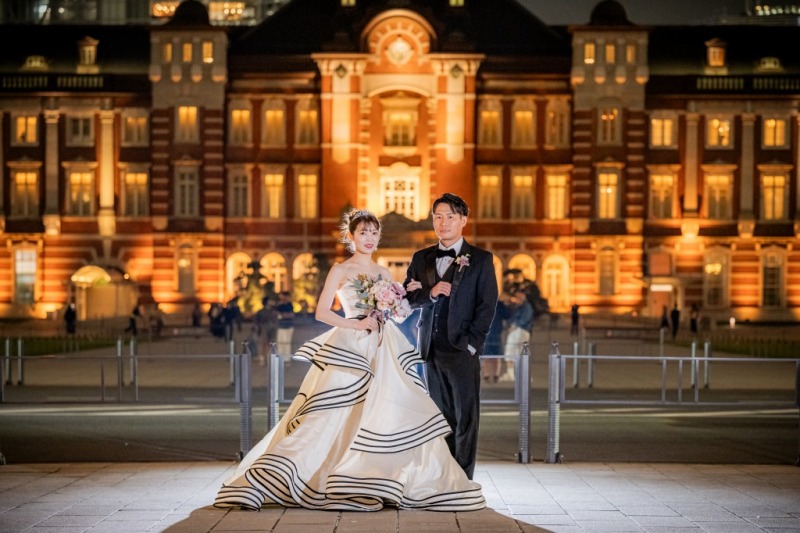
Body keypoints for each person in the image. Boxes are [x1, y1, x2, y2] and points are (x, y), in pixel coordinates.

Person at [214, 209, 484, 511]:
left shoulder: (383, 273)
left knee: (385, 412)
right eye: (363, 233)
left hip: (383, 344)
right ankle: (316, 472)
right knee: (336, 412)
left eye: (374, 233)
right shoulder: (340, 271)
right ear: (351, 237)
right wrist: (356, 324)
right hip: (352, 343)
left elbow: (396, 313)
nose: (369, 238)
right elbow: (322, 312)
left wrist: (403, 298)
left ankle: (374, 476)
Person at [405, 192, 499, 480]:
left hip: (462, 350)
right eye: (438, 216)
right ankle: (444, 477)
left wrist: (473, 344)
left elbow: (487, 305)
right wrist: (429, 294)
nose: (443, 222)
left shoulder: (481, 260)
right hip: (430, 349)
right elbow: (408, 298)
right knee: (441, 417)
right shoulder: (421, 258)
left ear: (463, 220)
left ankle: (463, 479)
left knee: (466, 417)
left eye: (449, 216)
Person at [499, 289, 533, 383]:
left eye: (518, 295)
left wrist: (515, 325)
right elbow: (511, 316)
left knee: (516, 352)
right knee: (513, 353)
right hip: (518, 331)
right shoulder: (519, 306)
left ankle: (519, 375)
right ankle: (512, 374)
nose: (517, 298)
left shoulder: (526, 306)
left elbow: (524, 319)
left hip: (520, 331)